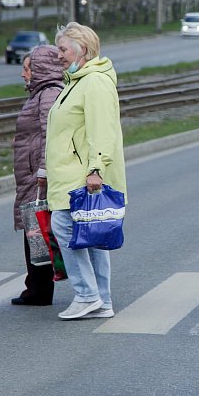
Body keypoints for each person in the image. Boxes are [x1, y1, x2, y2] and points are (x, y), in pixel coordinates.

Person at [43, 22, 126, 320]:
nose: (58, 55)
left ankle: (87, 294)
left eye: (63, 49)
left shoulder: (94, 82)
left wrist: (96, 169)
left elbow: (102, 130)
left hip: (80, 176)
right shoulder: (76, 82)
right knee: (92, 236)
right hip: (69, 173)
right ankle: (102, 301)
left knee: (64, 227)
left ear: (83, 50)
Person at [11, 46, 64, 306]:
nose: (23, 74)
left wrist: (43, 170)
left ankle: (39, 290)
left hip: (37, 176)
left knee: (37, 230)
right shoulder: (40, 93)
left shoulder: (49, 93)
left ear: (40, 69)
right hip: (31, 173)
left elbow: (50, 135)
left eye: (27, 68)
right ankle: (35, 287)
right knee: (34, 230)